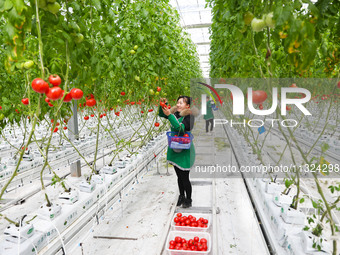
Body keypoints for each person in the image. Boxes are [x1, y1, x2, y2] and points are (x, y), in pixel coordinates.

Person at [158, 96, 198, 208]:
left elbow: (180, 128)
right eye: (178, 102)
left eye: (181, 103)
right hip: (175, 148)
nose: (178, 104)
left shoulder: (189, 117)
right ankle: (181, 196)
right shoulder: (175, 114)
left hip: (185, 151)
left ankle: (188, 199)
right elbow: (162, 114)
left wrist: (170, 115)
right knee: (179, 177)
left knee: (185, 178)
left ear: (188, 106)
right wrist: (163, 105)